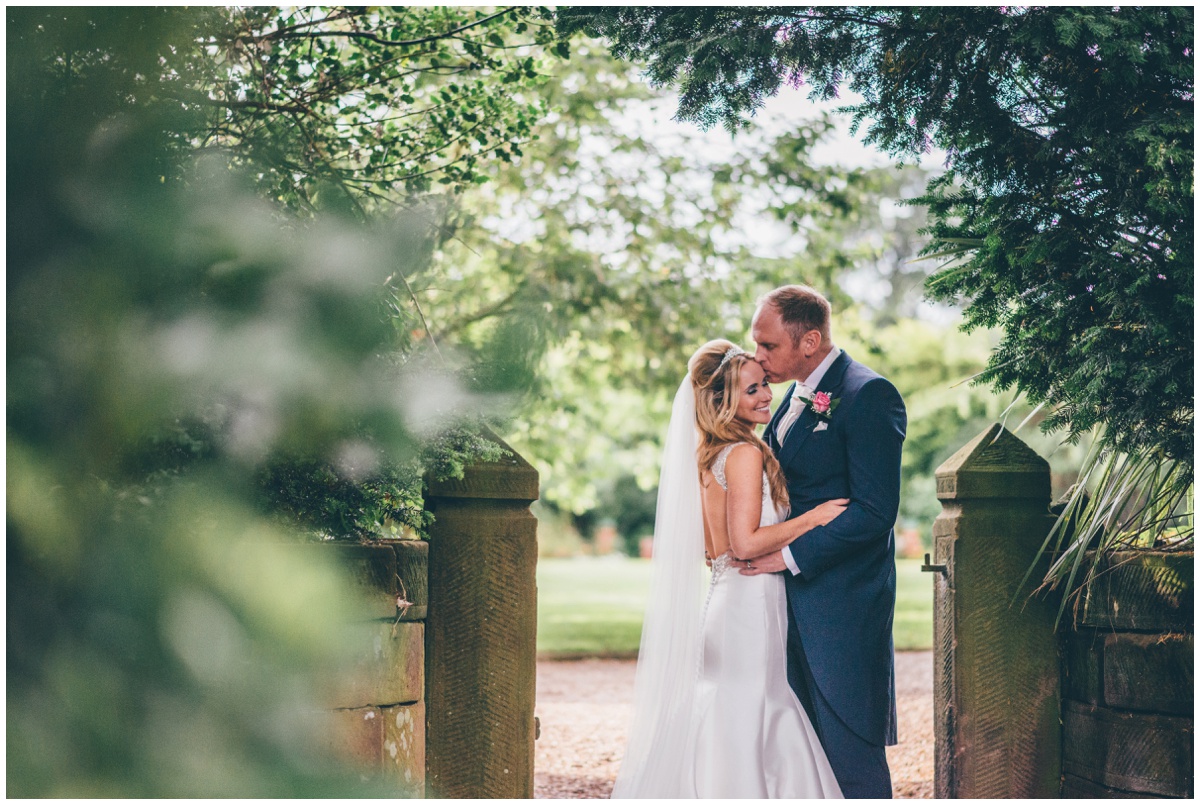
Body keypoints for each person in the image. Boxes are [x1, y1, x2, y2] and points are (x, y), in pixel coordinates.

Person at [611, 339, 845, 799]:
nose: (765, 396)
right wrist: (812, 519)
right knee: (750, 711)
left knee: (734, 710)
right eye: (752, 390)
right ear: (722, 401)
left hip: (728, 596)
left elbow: (714, 547)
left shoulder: (708, 455)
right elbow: (745, 542)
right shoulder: (743, 454)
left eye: (763, 385)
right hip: (748, 604)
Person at [742, 284, 906, 799]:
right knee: (798, 755)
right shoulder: (792, 396)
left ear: (809, 340)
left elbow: (875, 512)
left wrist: (787, 555)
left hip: (841, 610)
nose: (758, 357)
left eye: (768, 346)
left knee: (849, 756)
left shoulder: (867, 394)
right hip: (783, 606)